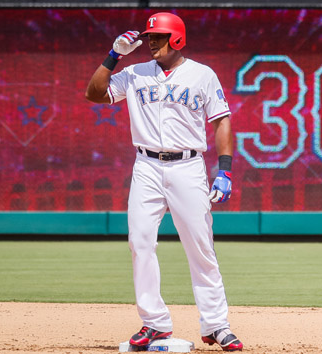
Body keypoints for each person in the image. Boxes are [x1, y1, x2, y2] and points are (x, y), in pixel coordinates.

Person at [85, 12, 243, 352]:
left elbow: (221, 122)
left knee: (200, 248)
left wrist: (226, 170)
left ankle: (216, 325)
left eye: (158, 36)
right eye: (150, 36)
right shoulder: (134, 73)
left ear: (178, 39)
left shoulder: (202, 75)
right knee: (139, 242)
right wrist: (113, 56)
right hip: (146, 166)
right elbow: (94, 94)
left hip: (188, 167)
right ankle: (155, 324)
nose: (151, 41)